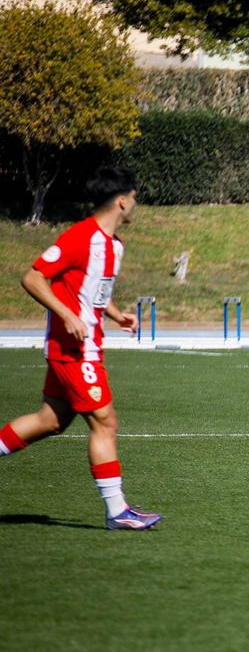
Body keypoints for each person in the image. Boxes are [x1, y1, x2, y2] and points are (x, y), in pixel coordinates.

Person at [0, 166, 162, 529]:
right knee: (106, 421)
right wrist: (66, 314)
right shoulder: (80, 237)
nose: (135, 205)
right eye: (134, 199)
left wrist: (118, 316)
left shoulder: (114, 246)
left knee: (50, 421)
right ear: (122, 201)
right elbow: (32, 276)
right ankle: (117, 511)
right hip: (75, 349)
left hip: (86, 346)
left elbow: (96, 293)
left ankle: (118, 511)